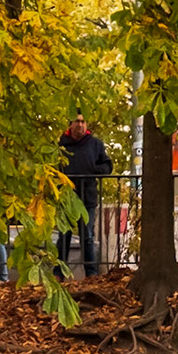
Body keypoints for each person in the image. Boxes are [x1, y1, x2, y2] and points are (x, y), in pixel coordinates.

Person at [58, 114, 111, 277]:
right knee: (63, 235)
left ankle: (91, 273)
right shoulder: (61, 144)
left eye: (83, 121)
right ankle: (59, 272)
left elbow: (107, 166)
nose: (80, 125)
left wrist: (92, 171)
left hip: (87, 196)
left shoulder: (95, 144)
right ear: (70, 124)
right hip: (66, 197)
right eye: (77, 121)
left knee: (87, 235)